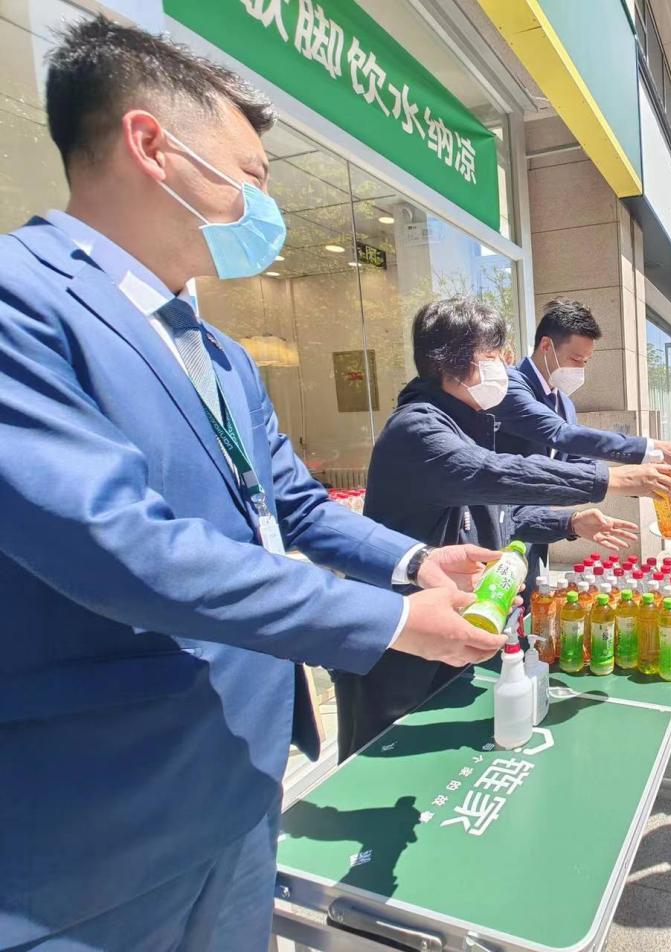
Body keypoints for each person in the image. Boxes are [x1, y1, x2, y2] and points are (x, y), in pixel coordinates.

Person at [0, 19, 509, 950]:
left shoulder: (221, 354)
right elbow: (123, 546)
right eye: (250, 174)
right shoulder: (20, 303)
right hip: (94, 830)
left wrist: (414, 565)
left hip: (239, 779)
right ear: (151, 145)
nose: (262, 206)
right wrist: (389, 623)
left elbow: (294, 505)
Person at [334, 297, 642, 759]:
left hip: (450, 640)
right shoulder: (417, 429)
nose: (503, 367)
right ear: (451, 363)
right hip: (401, 651)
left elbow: (504, 514)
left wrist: (570, 521)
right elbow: (494, 473)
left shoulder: (469, 425)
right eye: (494, 355)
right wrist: (608, 478)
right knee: (388, 767)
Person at [494, 298, 671, 581]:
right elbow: (561, 435)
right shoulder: (511, 387)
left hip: (536, 530)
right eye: (575, 359)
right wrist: (654, 448)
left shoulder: (563, 402)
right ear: (546, 346)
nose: (580, 370)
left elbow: (575, 462)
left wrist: (648, 481)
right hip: (497, 531)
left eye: (586, 362)